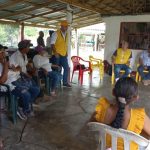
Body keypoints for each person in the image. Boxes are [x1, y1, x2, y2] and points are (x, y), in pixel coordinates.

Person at [90, 77, 150, 149]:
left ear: (113, 92)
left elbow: (92, 124)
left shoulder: (102, 109)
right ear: (136, 97)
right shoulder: (139, 117)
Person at [0, 44, 40, 119]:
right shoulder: (5, 63)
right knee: (26, 94)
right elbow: (2, 81)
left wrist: (13, 68)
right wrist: (6, 67)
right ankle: (24, 109)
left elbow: (18, 67)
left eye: (4, 52)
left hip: (17, 80)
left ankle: (21, 105)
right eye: (1, 52)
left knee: (36, 90)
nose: (4, 54)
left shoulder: (5, 61)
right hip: (8, 86)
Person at [50, 20, 71, 87]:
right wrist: (55, 53)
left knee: (66, 68)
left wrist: (66, 52)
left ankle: (65, 82)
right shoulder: (55, 33)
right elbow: (52, 44)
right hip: (57, 55)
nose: (66, 28)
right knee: (57, 69)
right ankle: (56, 83)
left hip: (64, 54)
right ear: (61, 26)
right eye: (65, 26)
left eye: (67, 26)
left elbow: (65, 44)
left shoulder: (66, 34)